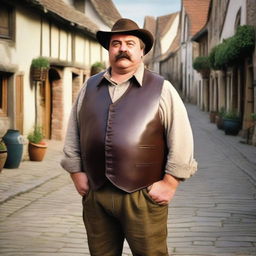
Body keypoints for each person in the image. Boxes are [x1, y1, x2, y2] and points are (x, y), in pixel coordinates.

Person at [61, 18, 197, 256]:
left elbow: (181, 136)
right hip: (97, 193)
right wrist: (75, 171)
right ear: (109, 49)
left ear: (141, 51)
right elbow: (74, 130)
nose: (122, 48)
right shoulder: (89, 86)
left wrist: (170, 182)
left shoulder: (161, 88)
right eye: (116, 43)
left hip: (142, 196)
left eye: (130, 43)